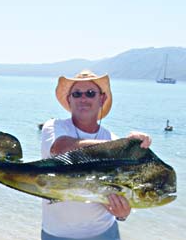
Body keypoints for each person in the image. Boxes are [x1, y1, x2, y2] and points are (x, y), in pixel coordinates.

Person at [40, 70, 152, 240]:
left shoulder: (113, 140)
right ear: (69, 100)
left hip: (105, 233)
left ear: (102, 99)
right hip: (57, 235)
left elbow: (126, 190)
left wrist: (122, 213)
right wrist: (123, 146)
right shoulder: (54, 126)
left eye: (90, 93)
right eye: (77, 94)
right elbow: (61, 148)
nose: (83, 98)